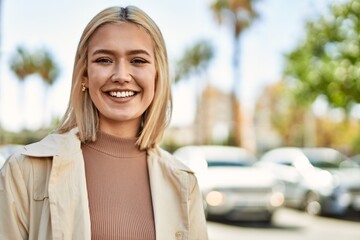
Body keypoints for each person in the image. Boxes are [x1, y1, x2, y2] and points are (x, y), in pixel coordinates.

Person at [0, 6, 208, 240]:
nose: (121, 75)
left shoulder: (183, 181)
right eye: (104, 59)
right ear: (85, 75)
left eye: (138, 60)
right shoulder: (24, 170)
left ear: (157, 74)